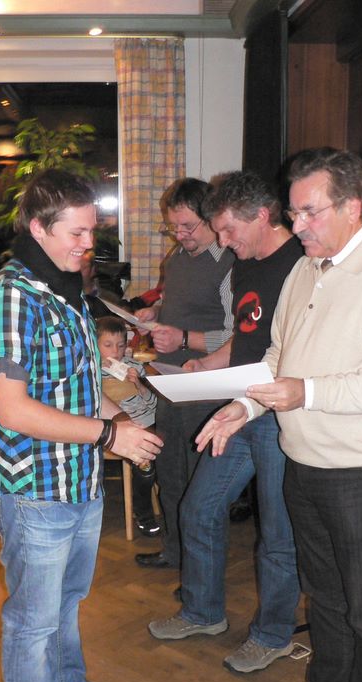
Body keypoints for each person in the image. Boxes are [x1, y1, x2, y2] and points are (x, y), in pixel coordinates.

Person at [195, 148, 362, 682]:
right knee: (322, 596)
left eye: (310, 212)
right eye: (293, 213)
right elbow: (277, 357)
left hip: (358, 472)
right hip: (301, 460)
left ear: (353, 207)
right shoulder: (303, 269)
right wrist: (245, 405)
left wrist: (306, 393)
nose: (298, 226)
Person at [0, 169, 163, 682]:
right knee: (33, 619)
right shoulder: (9, 299)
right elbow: (12, 409)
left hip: (79, 480)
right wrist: (109, 435)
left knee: (68, 602)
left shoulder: (67, 293)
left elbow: (76, 389)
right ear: (38, 228)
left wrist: (122, 421)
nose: (88, 244)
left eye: (91, 231)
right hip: (35, 491)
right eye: (76, 232)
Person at [148, 170, 303, 674]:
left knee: (277, 534)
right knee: (198, 508)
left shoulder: (300, 264)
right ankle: (203, 613)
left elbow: (295, 349)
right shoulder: (245, 265)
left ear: (262, 216)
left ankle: (273, 636)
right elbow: (246, 337)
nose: (225, 241)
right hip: (240, 406)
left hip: (278, 415)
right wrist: (206, 365)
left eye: (230, 230)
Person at [134, 177, 235, 570]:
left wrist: (185, 337)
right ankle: (175, 553)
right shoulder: (177, 257)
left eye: (187, 226)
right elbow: (175, 302)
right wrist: (155, 312)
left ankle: (200, 571)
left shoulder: (229, 263)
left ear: (211, 218)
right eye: (173, 226)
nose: (179, 235)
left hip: (207, 390)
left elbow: (237, 335)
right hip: (170, 382)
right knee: (170, 475)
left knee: (200, 485)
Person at [96, 315, 159, 535]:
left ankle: (147, 506)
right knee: (145, 459)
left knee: (153, 459)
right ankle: (142, 513)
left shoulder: (135, 367)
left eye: (121, 345)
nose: (115, 352)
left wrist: (140, 385)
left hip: (144, 423)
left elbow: (153, 404)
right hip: (111, 430)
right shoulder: (90, 370)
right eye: (108, 345)